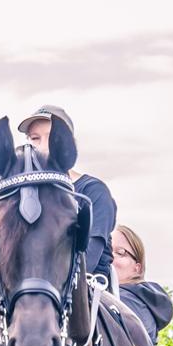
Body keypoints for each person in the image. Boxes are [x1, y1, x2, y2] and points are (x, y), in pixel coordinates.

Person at [16, 105, 116, 284]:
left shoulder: (93, 192)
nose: (36, 146)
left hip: (86, 294)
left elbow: (89, 258)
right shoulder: (23, 198)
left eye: (46, 138)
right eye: (33, 138)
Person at [111, 222, 173, 346]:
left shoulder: (135, 303)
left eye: (120, 252)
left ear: (137, 269)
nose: (110, 257)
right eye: (107, 250)